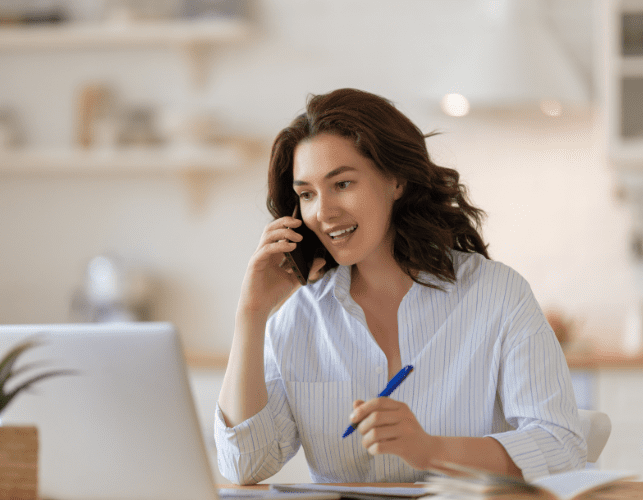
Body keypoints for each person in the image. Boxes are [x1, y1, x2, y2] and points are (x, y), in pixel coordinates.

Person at [215, 88, 586, 485]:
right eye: (307, 194)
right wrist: (251, 313)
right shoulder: (298, 317)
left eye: (342, 184)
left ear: (396, 180)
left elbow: (561, 446)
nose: (323, 212)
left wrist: (434, 450)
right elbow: (243, 467)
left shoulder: (497, 295)